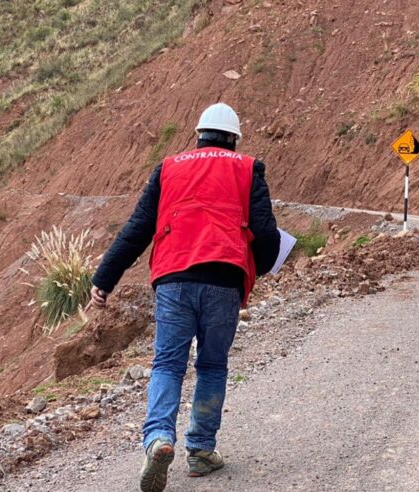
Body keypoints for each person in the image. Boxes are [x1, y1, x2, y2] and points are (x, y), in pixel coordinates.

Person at [89, 103, 280, 491]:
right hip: (225, 279)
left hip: (173, 278)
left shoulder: (168, 167)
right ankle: (200, 450)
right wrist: (261, 266)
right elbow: (266, 232)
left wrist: (104, 279)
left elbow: (138, 228)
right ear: (234, 138)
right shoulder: (247, 168)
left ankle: (159, 439)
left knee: (167, 364)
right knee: (211, 365)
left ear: (199, 135)